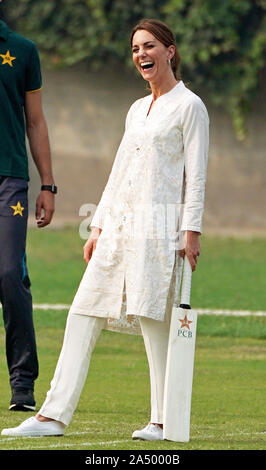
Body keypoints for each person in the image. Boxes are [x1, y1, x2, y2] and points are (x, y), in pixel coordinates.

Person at [1, 18, 209, 440]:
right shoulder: (136, 109)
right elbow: (120, 171)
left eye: (149, 46)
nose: (141, 55)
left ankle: (162, 420)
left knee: (155, 322)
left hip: (159, 229)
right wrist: (96, 226)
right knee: (82, 312)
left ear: (170, 51)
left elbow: (197, 175)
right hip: (117, 227)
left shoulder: (190, 107)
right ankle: (52, 416)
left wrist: (192, 230)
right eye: (135, 49)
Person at [0, 10, 57, 412]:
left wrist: (48, 185)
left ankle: (22, 384)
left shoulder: (22, 51)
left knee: (8, 274)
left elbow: (35, 121)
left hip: (10, 182)